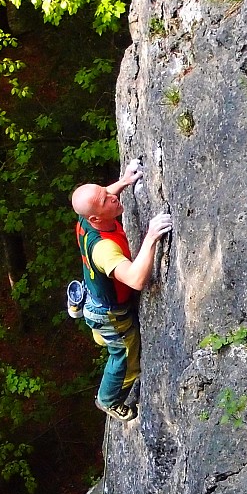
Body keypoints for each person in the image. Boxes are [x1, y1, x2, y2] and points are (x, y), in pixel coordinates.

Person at [71, 161, 172, 421]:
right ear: (95, 217)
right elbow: (136, 280)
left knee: (109, 338)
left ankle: (101, 336)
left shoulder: (87, 219)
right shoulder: (103, 250)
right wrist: (151, 236)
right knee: (126, 357)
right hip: (110, 313)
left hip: (96, 298)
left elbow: (101, 195)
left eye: (108, 194)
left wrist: (125, 181)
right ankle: (108, 400)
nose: (112, 197)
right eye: (106, 201)